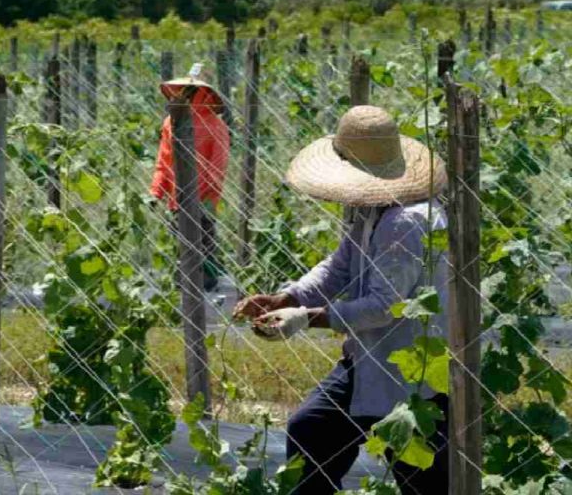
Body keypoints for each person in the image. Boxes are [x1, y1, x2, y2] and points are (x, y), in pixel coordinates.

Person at [233, 105, 449, 494]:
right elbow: (340, 266)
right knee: (311, 430)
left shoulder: (405, 222)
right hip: (369, 358)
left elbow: (384, 306)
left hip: (414, 373)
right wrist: (286, 297)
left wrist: (305, 318)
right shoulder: (374, 211)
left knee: (422, 478)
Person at [150, 63, 230, 292]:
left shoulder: (215, 125)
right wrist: (156, 191)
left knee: (203, 240)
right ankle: (184, 289)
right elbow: (164, 160)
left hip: (203, 198)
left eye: (189, 91)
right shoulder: (170, 122)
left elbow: (218, 166)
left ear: (202, 93)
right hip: (177, 197)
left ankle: (208, 287)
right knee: (180, 242)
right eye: (182, 90)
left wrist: (198, 195)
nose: (184, 94)